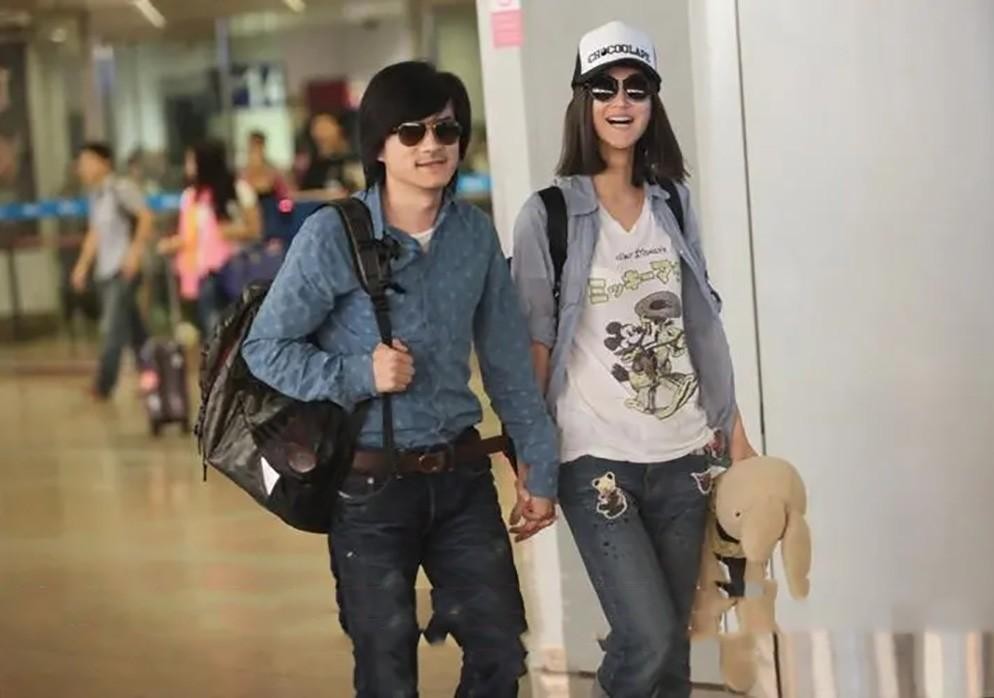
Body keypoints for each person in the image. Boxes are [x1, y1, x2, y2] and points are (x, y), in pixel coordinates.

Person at [241, 61, 558, 697]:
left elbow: (506, 363)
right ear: (379, 147)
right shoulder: (332, 236)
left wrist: (539, 467)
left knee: (499, 652)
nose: (431, 145)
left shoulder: (473, 235)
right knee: (387, 673)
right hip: (368, 490)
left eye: (446, 129)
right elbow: (265, 349)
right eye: (411, 132)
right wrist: (360, 372)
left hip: (462, 480)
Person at [511, 21, 759, 698]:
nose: (620, 102)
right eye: (604, 88)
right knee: (647, 636)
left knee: (670, 652)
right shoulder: (547, 216)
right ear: (583, 101)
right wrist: (532, 462)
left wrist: (738, 440)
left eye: (636, 87)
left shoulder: (672, 201)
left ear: (653, 102)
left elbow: (701, 327)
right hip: (595, 458)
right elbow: (534, 344)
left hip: (686, 455)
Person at [70, 142, 154, 400]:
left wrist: (134, 254)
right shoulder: (96, 196)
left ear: (104, 163)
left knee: (111, 326)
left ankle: (103, 385)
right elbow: (94, 233)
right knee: (134, 327)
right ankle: (152, 373)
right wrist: (82, 265)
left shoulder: (121, 188)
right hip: (106, 271)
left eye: (87, 161)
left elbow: (145, 217)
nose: (82, 168)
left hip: (124, 269)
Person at [158, 140, 261, 337]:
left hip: (235, 267)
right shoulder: (191, 197)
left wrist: (230, 231)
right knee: (212, 325)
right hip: (202, 272)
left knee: (234, 324)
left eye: (191, 161)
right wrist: (172, 244)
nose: (188, 166)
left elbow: (255, 228)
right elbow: (189, 235)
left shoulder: (237, 189)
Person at [295, 111, 356, 197]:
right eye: (316, 129)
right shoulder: (315, 165)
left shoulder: (353, 160)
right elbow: (302, 194)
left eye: (324, 128)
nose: (319, 134)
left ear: (338, 129)